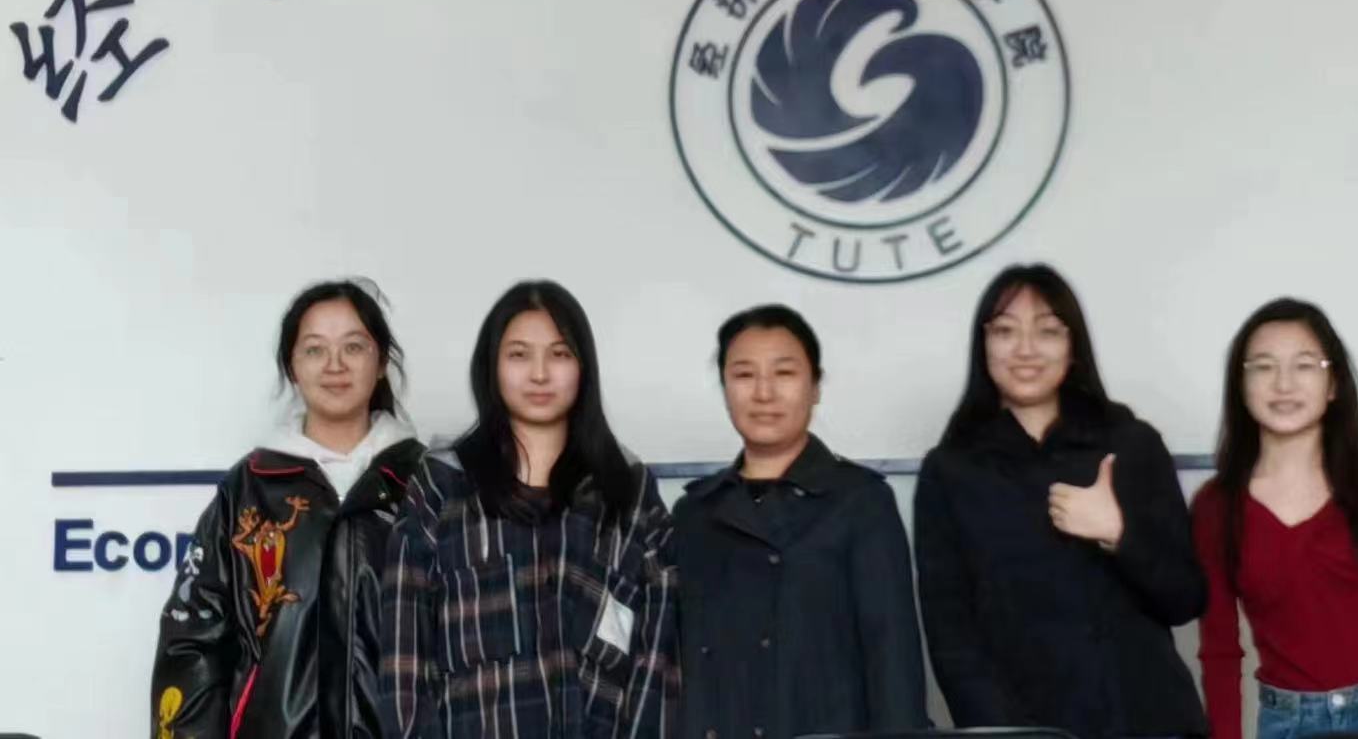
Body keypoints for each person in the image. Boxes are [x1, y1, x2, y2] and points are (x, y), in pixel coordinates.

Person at [915, 263, 1208, 739]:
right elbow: (952, 638)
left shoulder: (1131, 443)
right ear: (983, 346)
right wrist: (1007, 734)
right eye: (1006, 331)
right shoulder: (950, 470)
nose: (1026, 349)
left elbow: (1185, 599)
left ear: (1073, 347)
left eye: (1047, 331)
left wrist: (1119, 534)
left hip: (1150, 721)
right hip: (1028, 728)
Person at [380, 280, 675, 738]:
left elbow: (658, 659)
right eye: (519, 355)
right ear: (492, 367)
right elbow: (405, 662)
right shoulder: (442, 486)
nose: (540, 374)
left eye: (560, 354)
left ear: (584, 368)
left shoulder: (629, 492)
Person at [151, 279, 425, 739]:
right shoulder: (248, 489)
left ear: (380, 362)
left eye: (353, 347)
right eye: (315, 349)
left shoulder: (426, 484)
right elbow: (193, 645)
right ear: (292, 367)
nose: (335, 365)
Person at [1192, 298, 1358, 739]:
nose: (1284, 383)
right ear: (1241, 385)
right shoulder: (1215, 506)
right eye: (1263, 366)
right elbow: (1220, 652)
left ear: (1333, 383)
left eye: (1304, 365)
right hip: (1288, 724)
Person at [673, 304, 928, 739]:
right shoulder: (693, 513)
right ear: (725, 387)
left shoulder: (861, 501)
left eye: (785, 373)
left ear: (815, 387)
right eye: (744, 374)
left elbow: (893, 662)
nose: (764, 393)